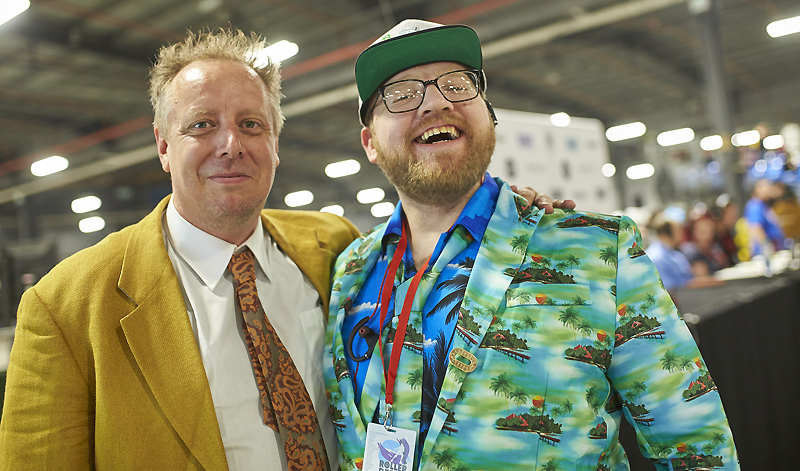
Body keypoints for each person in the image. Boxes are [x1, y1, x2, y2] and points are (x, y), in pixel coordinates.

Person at [0, 29, 564, 471]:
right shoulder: (68, 307)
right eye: (202, 125)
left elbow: (434, 232)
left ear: (275, 141)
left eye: (251, 124)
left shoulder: (333, 248)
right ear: (164, 145)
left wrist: (508, 210)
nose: (230, 145)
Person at [324, 19, 739, 471]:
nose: (436, 101)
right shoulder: (349, 270)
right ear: (369, 143)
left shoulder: (596, 249)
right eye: (401, 94)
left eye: (458, 84)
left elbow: (697, 450)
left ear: (489, 115)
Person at [743, 178, 786, 258]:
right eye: (765, 187)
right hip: (764, 255)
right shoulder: (755, 206)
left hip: (774, 250)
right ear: (756, 189)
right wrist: (767, 249)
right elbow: (756, 228)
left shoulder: (764, 205)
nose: (769, 190)